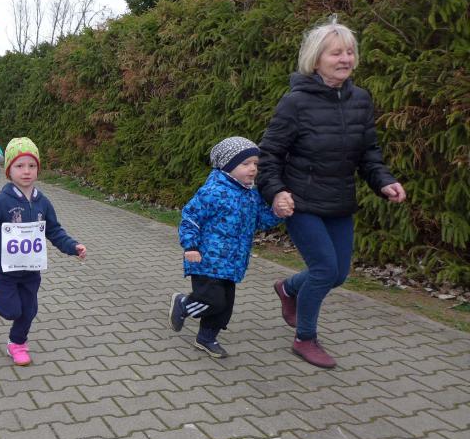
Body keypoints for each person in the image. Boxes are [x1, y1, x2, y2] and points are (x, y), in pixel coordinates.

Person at [257, 21, 406, 369]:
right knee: (324, 270)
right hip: (301, 201)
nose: (345, 59)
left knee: (338, 274)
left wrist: (384, 181)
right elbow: (270, 154)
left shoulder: (360, 100)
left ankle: (288, 288)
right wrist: (276, 192)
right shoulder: (295, 102)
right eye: (336, 53)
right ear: (316, 59)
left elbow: (369, 153)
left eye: (350, 52)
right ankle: (305, 338)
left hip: (339, 200)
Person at [0, 137, 87, 366]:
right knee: (10, 311)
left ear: (38, 169)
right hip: (4, 271)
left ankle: (17, 343)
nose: (26, 171)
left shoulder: (43, 202)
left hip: (31, 269)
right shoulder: (0, 202)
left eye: (32, 165)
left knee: (29, 310)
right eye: (19, 166)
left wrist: (72, 246)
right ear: (9, 170)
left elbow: (54, 230)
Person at [169, 137, 285, 358]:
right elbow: (191, 218)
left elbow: (260, 221)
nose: (253, 169)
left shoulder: (251, 194)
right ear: (227, 165)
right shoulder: (213, 191)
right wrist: (190, 246)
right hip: (206, 259)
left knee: (224, 307)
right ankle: (183, 303)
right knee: (212, 300)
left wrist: (278, 213)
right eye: (245, 163)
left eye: (255, 163)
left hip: (232, 263)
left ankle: (206, 338)